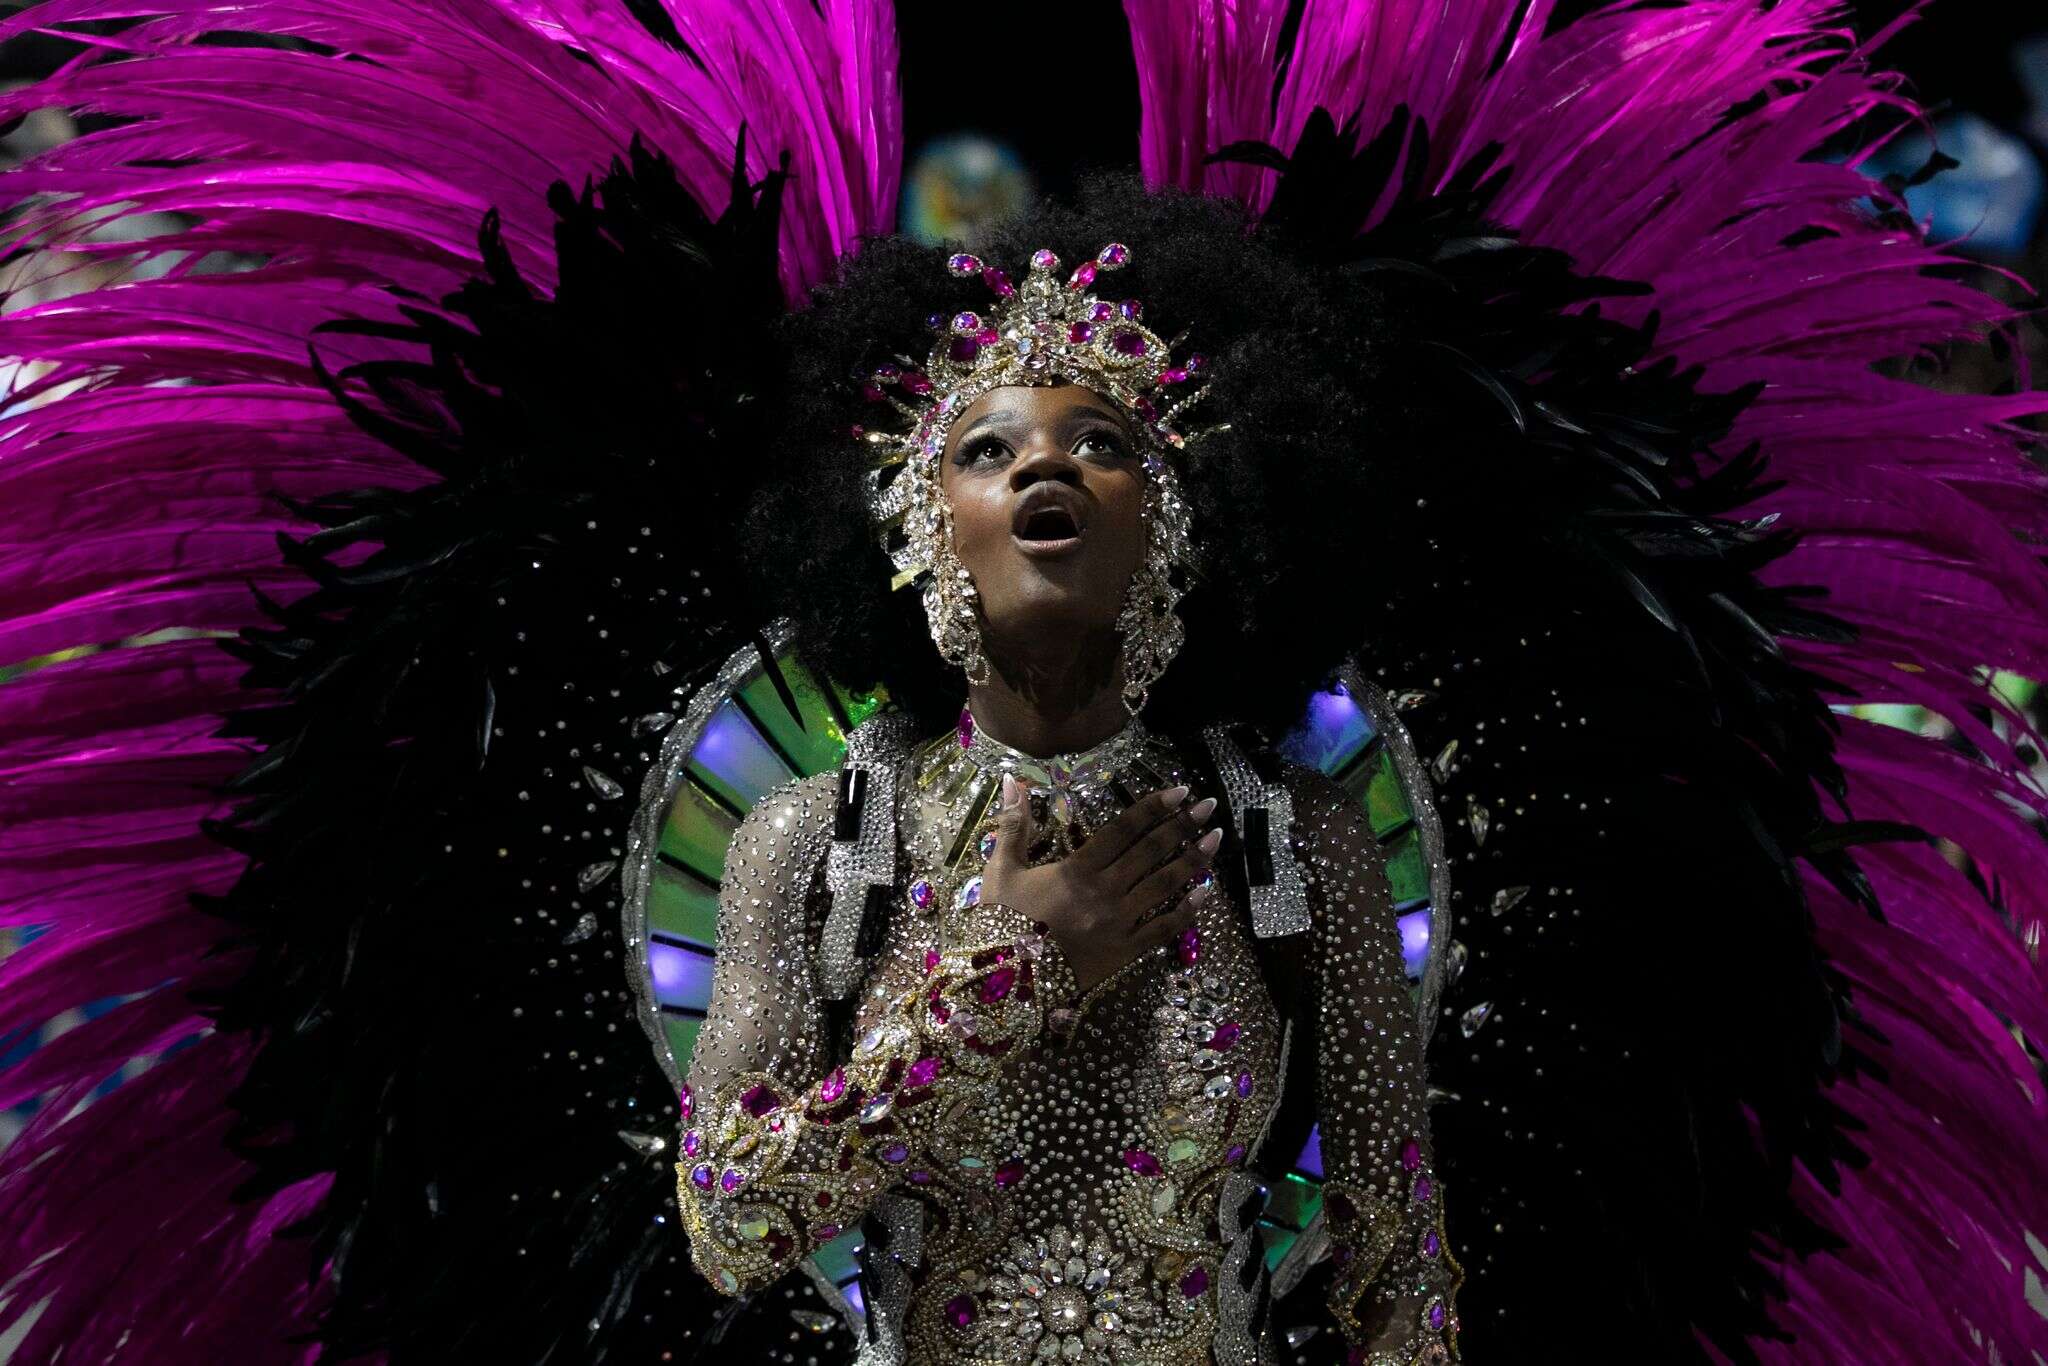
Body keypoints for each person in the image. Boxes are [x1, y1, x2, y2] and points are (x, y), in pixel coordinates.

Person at [0, 3, 2042, 1364]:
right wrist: (1000, 973)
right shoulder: (812, 844)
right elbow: (726, 1220)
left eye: (1105, 443)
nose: (1045, 468)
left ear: (1195, 524)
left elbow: (1405, 1241)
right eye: (986, 448)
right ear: (899, 530)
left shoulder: (1302, 840)